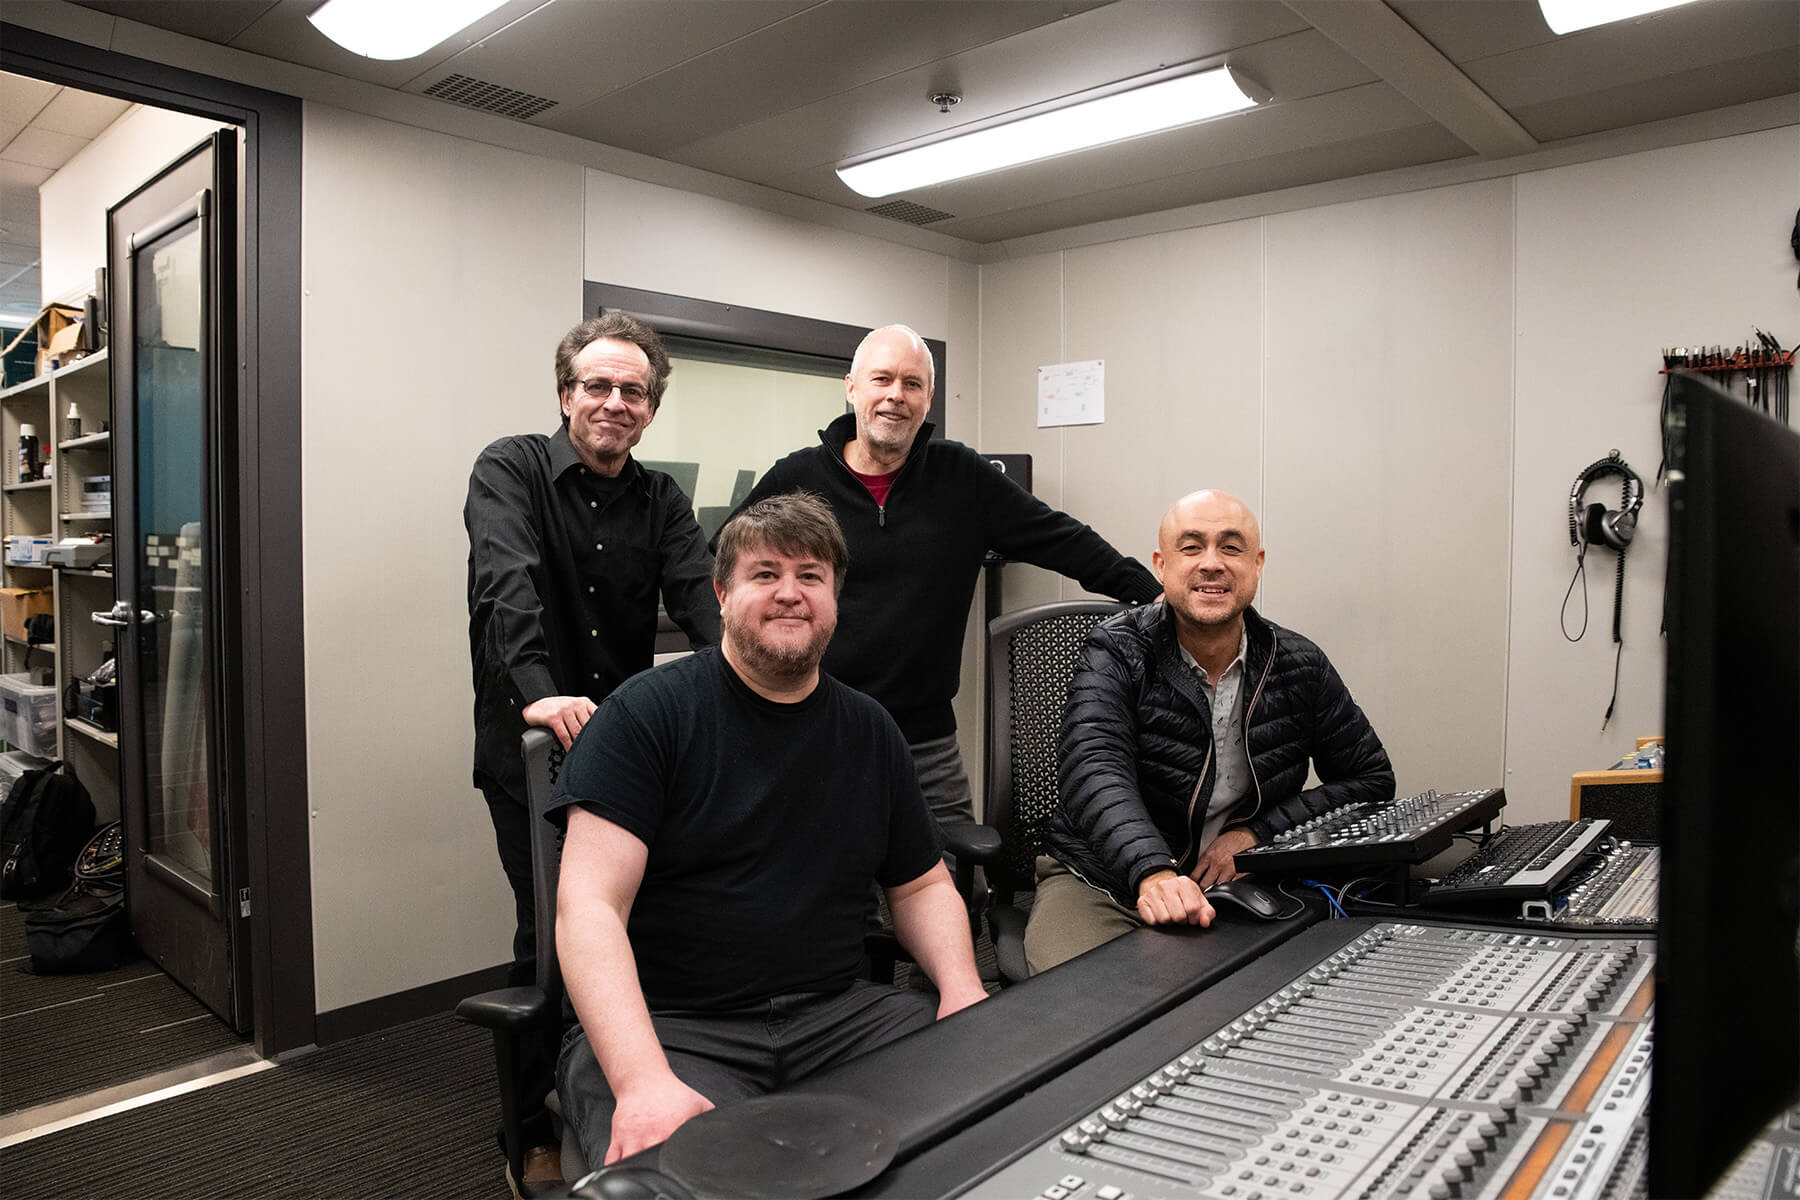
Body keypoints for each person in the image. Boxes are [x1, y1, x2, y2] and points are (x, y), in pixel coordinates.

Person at [552, 491, 988, 1166]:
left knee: (987, 1115)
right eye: (765, 574)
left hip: (839, 1018)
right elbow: (588, 907)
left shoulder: (871, 730)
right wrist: (642, 1082)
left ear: (836, 598)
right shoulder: (646, 715)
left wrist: (962, 993)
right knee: (689, 1173)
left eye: (810, 576)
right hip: (678, 1030)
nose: (791, 593)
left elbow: (920, 888)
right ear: (722, 593)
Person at [464, 311, 720, 1192]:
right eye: (598, 386)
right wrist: (539, 690)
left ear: (649, 409)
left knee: (628, 927)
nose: (615, 402)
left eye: (633, 391)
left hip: (626, 756)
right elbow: (510, 585)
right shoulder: (510, 468)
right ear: (566, 393)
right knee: (552, 936)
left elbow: (701, 596)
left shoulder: (661, 500)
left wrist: (748, 681)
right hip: (530, 749)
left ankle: (619, 1087)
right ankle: (527, 1124)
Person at [726, 324, 1161, 831]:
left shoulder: (963, 477)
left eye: (912, 384)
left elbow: (1067, 541)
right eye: (881, 379)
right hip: (811, 725)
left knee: (955, 889)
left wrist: (1160, 599)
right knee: (818, 891)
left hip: (925, 741)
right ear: (851, 388)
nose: (896, 396)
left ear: (929, 398)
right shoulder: (797, 479)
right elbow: (729, 569)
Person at [1024, 490, 1394, 974]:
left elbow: (1370, 779)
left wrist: (1257, 835)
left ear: (1257, 564)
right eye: (1191, 547)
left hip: (1239, 884)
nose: (1212, 564)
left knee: (1260, 1000)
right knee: (1082, 1005)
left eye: (1232, 548)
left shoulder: (1298, 663)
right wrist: (1153, 872)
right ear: (1161, 565)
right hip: (1102, 880)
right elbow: (1096, 770)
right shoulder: (1116, 650)